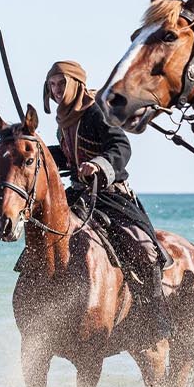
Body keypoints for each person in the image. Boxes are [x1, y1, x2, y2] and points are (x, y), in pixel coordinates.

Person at [43, 61, 169, 342]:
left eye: (61, 84)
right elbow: (67, 157)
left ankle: (154, 320)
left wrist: (99, 165)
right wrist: (40, 154)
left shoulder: (95, 112)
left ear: (75, 84)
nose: (56, 90)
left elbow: (121, 147)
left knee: (144, 248)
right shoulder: (63, 120)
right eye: (52, 85)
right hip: (78, 194)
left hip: (111, 194)